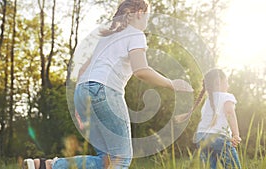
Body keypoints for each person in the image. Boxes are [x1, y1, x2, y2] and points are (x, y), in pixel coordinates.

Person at [23, 0, 193, 169]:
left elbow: (83, 70)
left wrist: (79, 103)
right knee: (121, 159)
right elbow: (140, 70)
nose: (147, 22)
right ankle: (53, 165)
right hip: (104, 91)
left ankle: (46, 165)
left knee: (106, 160)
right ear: (140, 12)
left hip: (82, 91)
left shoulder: (108, 37)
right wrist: (171, 84)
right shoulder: (135, 34)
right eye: (147, 16)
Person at [175, 68, 242, 169]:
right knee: (234, 166)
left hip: (201, 137)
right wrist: (236, 134)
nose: (228, 85)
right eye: (227, 82)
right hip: (219, 137)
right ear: (219, 82)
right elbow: (230, 113)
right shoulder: (227, 96)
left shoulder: (207, 101)